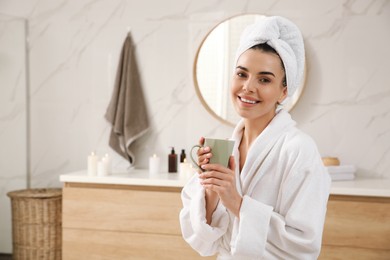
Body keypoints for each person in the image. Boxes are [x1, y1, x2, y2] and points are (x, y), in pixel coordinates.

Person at [179, 16, 331, 259]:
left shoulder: (299, 150)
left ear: (284, 91)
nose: (248, 87)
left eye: (264, 79)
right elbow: (202, 240)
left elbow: (304, 244)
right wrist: (211, 188)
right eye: (242, 74)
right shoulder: (224, 148)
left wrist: (237, 202)